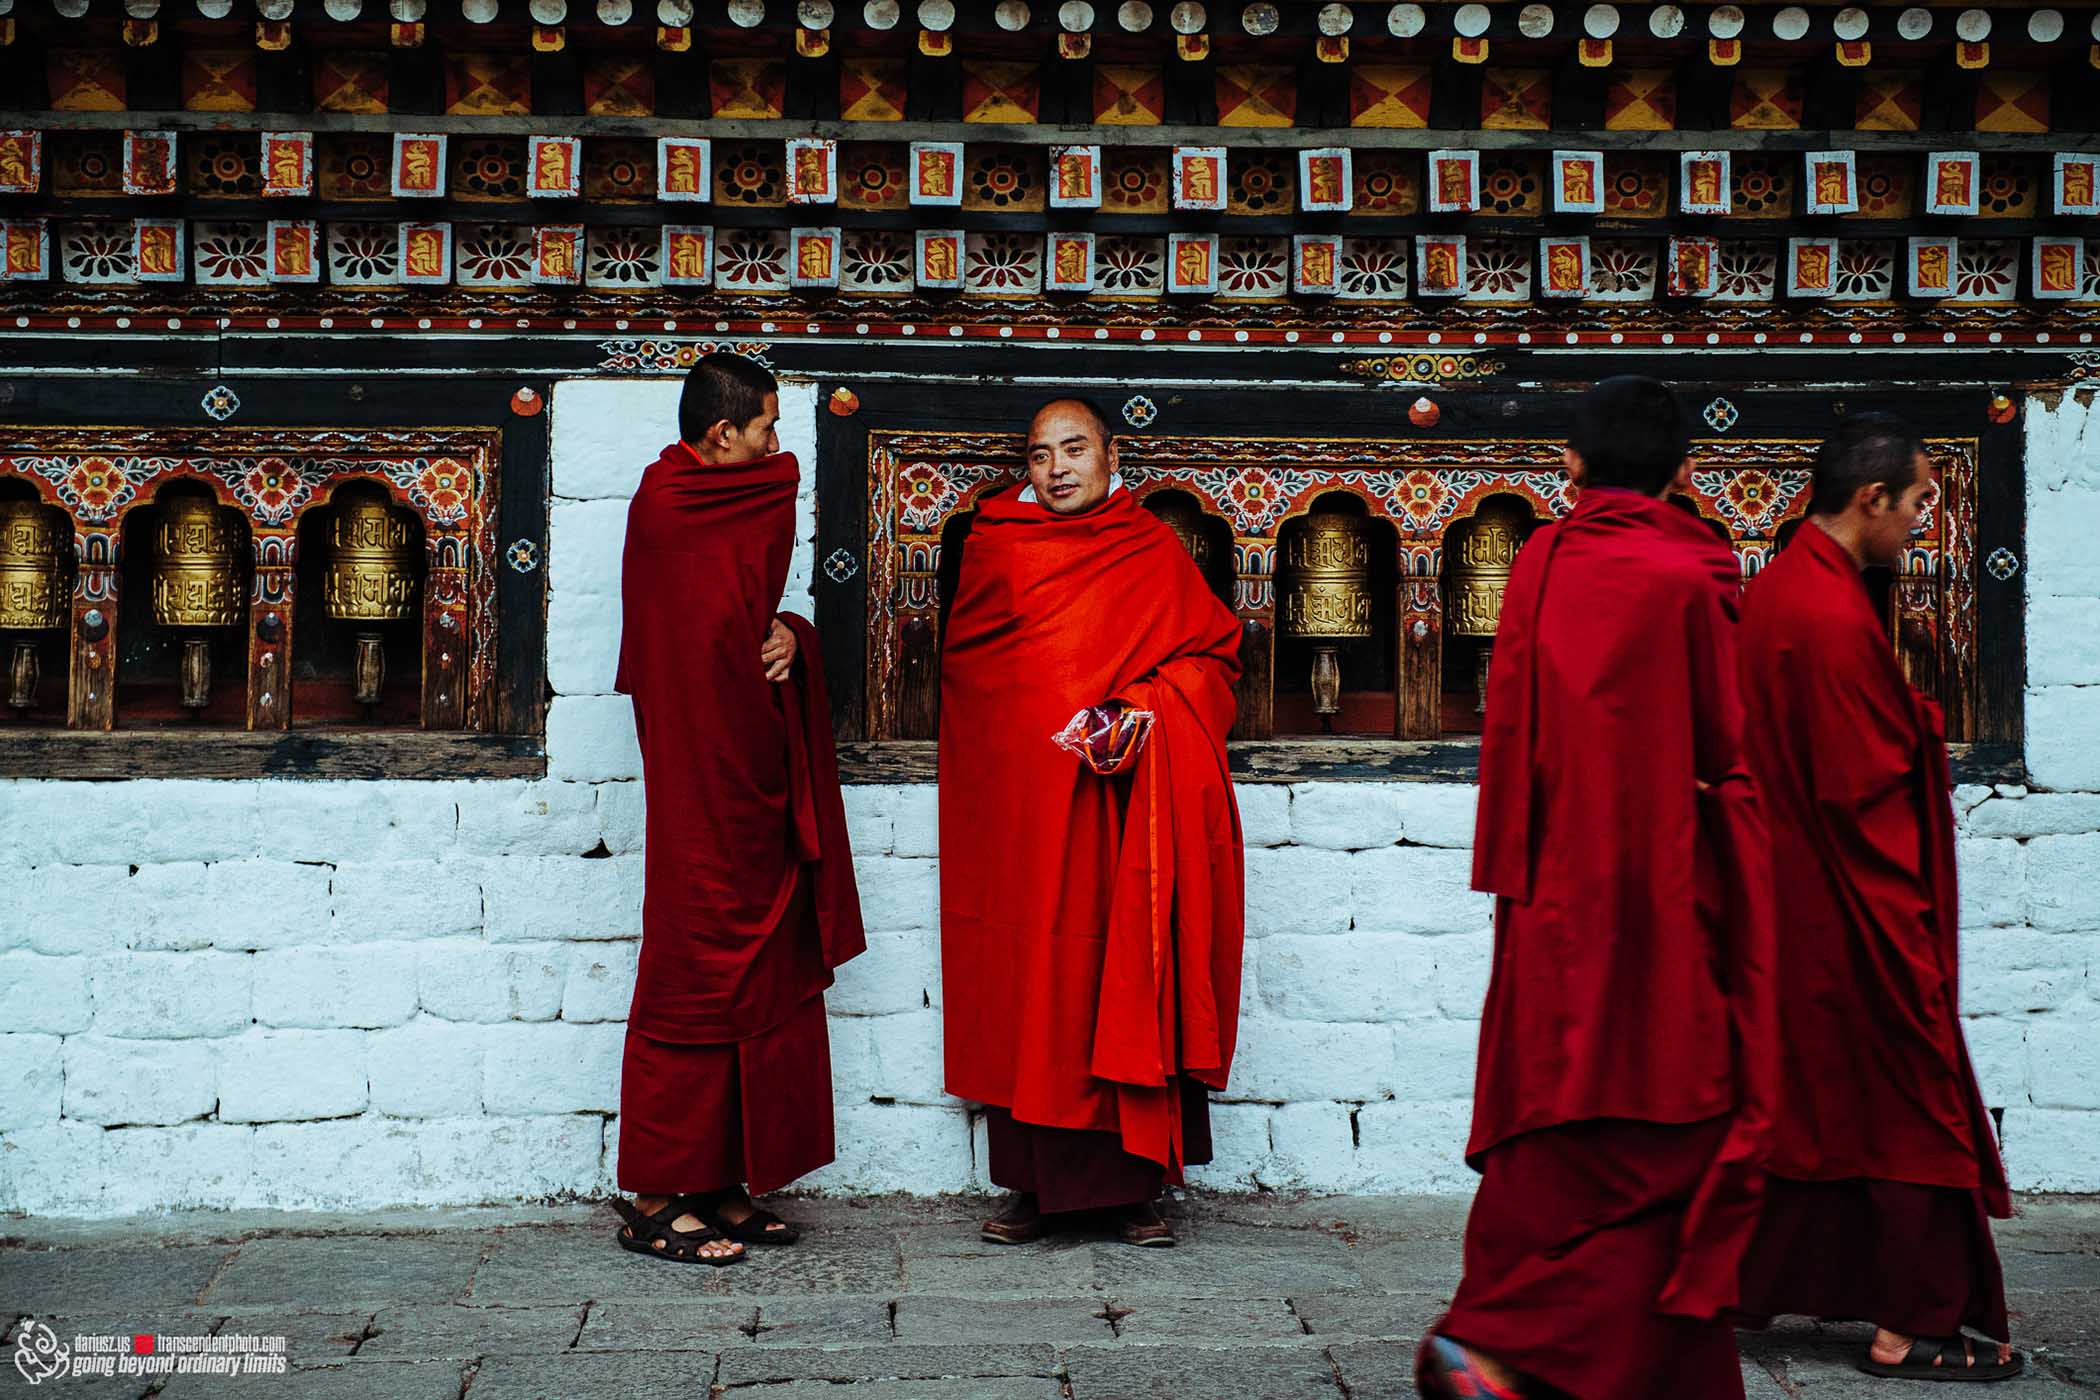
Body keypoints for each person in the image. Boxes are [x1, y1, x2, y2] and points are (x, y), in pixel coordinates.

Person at [1418, 377, 1778, 1400]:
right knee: (1674, 1125)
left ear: (1571, 464)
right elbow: (1729, 748)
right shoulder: (1696, 574)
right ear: (1686, 471)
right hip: (1663, 892)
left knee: (1554, 1116)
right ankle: (1507, 1340)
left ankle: (1517, 1341)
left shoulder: (1539, 559)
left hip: (1551, 892)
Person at [1732, 413, 2022, 1382]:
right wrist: (1912, 935)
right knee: (1908, 1100)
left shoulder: (1787, 588)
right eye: (1919, 501)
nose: (1923, 519)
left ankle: (1790, 1287)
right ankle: (1912, 1323)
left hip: (1797, 900)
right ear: (1872, 498)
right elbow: (1859, 793)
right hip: (1851, 904)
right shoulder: (1821, 614)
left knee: (1824, 1104)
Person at [938, 397, 1245, 1248]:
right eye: (1041, 455)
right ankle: (1037, 1189)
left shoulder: (1147, 548)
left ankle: (1131, 1190)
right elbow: (971, 676)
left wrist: (1146, 707)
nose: (1058, 469)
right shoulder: (997, 547)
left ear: (1111, 456)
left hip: (1123, 813)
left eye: (1074, 449)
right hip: (1024, 814)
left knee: (1122, 971)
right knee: (1032, 986)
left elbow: (1212, 656)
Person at [608, 354, 865, 1264]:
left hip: (756, 775)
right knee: (690, 970)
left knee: (759, 967)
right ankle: (653, 1194)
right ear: (721, 436)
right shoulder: (670, 507)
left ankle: (719, 1183)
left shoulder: (734, 494)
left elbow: (745, 618)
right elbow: (689, 642)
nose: (778, 448)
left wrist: (792, 637)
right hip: (698, 780)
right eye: (765, 428)